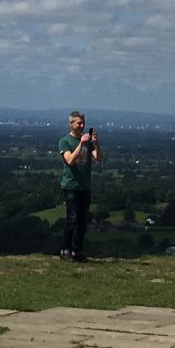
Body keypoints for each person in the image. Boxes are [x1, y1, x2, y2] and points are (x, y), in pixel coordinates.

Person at [58, 111, 101, 262]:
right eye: (79, 123)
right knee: (72, 218)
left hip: (85, 186)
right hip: (71, 185)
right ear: (71, 124)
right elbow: (69, 161)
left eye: (83, 123)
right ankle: (65, 249)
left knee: (83, 220)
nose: (82, 125)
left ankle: (78, 250)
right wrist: (81, 144)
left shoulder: (88, 142)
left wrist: (95, 143)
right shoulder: (65, 141)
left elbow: (99, 158)